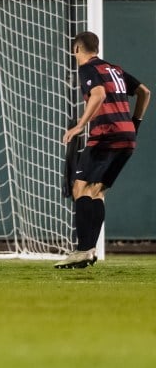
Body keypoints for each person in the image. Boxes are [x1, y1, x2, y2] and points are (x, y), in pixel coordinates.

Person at [55, 31, 150, 269]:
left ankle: (83, 250)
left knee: (80, 188)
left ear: (76, 50)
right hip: (127, 136)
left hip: (106, 133)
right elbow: (144, 92)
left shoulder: (88, 68)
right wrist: (135, 123)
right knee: (96, 191)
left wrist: (79, 126)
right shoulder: (114, 69)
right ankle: (88, 250)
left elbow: (98, 94)